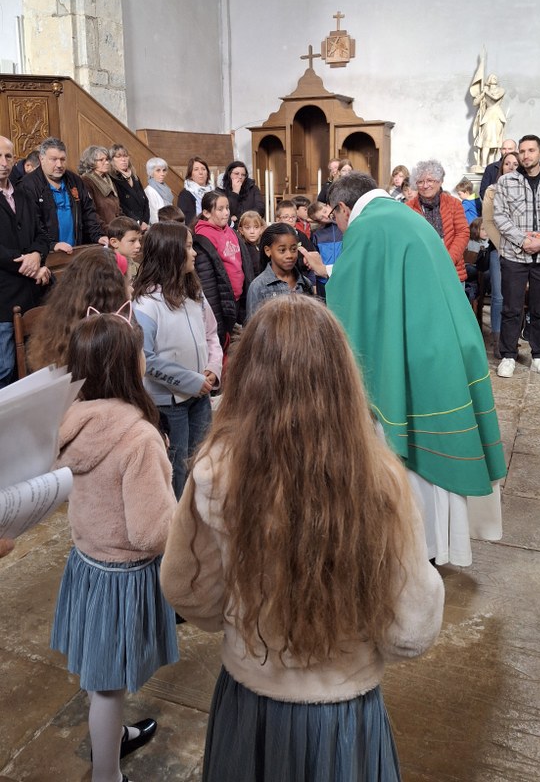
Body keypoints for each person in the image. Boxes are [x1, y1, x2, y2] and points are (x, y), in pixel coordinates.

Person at [160, 297, 444, 782]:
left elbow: (188, 590)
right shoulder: (380, 480)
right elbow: (411, 630)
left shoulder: (215, 471)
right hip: (344, 716)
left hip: (252, 703)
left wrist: (245, 622)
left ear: (249, 375)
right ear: (342, 377)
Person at [323, 171, 506, 567]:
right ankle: (441, 545)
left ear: (342, 207)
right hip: (441, 343)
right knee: (436, 445)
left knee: (414, 455)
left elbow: (348, 298)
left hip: (414, 353)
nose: (338, 226)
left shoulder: (368, 227)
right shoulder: (402, 215)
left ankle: (419, 548)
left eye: (334, 218)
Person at [50, 309, 178, 782]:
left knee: (99, 675)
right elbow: (150, 531)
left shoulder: (70, 420)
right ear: (129, 364)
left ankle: (111, 737)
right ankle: (108, 774)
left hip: (86, 563)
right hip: (123, 575)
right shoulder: (137, 436)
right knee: (108, 685)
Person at [133, 222, 222, 500]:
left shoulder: (193, 292)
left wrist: (213, 368)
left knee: (201, 459)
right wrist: (192, 381)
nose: (194, 253)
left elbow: (211, 334)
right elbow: (146, 358)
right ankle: (175, 518)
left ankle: (197, 512)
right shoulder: (147, 303)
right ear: (169, 252)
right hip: (169, 403)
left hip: (200, 396)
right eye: (188, 247)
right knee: (176, 467)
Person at [493, 135, 540, 379]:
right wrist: (523, 241)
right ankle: (508, 356)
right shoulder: (506, 181)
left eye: (531, 150)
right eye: (522, 151)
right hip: (514, 255)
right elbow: (499, 215)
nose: (526, 155)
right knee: (511, 308)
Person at [0, 135, 51, 387]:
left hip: (31, 294)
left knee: (35, 367)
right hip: (4, 297)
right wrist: (29, 266)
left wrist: (37, 256)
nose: (3, 162)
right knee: (5, 368)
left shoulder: (23, 194)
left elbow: (42, 235)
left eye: (8, 156)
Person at [27, 246, 128, 371]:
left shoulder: (60, 326)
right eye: (127, 283)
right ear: (112, 294)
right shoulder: (106, 338)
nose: (131, 289)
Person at [19, 136, 108, 251]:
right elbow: (32, 224)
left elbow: (88, 212)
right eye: (53, 159)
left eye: (62, 159)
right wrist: (52, 245)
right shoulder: (27, 185)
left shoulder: (75, 181)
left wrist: (97, 236)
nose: (59, 165)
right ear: (41, 159)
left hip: (76, 250)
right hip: (47, 253)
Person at [193, 191, 254, 349]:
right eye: (220, 209)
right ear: (206, 213)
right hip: (221, 303)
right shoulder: (203, 238)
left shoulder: (231, 231)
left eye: (227, 208)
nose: (226, 212)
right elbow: (208, 283)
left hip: (237, 300)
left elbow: (243, 264)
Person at [481, 151, 520, 358]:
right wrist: (505, 248)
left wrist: (521, 246)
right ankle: (497, 341)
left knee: (516, 297)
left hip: (522, 251)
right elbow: (489, 223)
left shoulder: (525, 191)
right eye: (507, 163)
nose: (511, 167)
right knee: (498, 297)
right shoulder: (492, 190)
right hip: (499, 250)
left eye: (516, 164)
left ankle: (511, 340)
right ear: (501, 167)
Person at [408, 160, 469, 282]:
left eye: (430, 180)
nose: (425, 185)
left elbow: (462, 233)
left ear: (440, 181)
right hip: (422, 272)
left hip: (452, 269)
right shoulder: (408, 208)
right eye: (420, 182)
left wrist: (448, 260)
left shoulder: (454, 204)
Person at [246, 223, 313, 317]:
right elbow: (253, 323)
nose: (289, 255)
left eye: (293, 249)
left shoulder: (305, 283)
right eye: (282, 250)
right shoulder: (258, 287)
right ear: (268, 251)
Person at [79, 145, 121, 232]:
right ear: (91, 162)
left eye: (107, 159)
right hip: (101, 232)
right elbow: (91, 212)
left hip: (115, 230)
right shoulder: (86, 181)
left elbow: (118, 209)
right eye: (101, 160)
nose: (107, 163)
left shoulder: (109, 181)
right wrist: (107, 230)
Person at [470, 72, 507, 169]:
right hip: (488, 116)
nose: (494, 78)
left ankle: (491, 166)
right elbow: (475, 103)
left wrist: (486, 92)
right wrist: (482, 93)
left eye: (495, 77)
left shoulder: (501, 90)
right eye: (492, 77)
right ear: (488, 80)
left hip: (497, 116)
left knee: (494, 143)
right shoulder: (485, 91)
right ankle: (483, 164)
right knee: (486, 141)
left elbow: (496, 97)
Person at [109, 144, 150, 231]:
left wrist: (145, 221)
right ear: (112, 160)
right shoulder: (112, 179)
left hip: (143, 224)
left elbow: (145, 201)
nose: (123, 159)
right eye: (118, 156)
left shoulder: (135, 177)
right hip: (127, 225)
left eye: (125, 156)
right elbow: (120, 205)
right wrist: (138, 222)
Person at [220, 161, 265, 225]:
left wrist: (239, 217)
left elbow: (260, 209)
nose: (240, 177)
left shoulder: (253, 188)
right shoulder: (221, 190)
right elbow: (225, 213)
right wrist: (235, 192)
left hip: (250, 225)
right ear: (229, 174)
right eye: (236, 174)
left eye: (243, 175)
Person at [177, 156, 213, 224]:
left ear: (207, 173)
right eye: (196, 169)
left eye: (203, 169)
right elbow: (185, 221)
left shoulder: (214, 192)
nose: (201, 172)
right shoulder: (185, 194)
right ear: (190, 174)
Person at [107, 216, 142, 284]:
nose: (139, 245)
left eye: (139, 240)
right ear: (114, 242)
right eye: (132, 241)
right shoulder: (106, 270)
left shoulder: (137, 268)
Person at [236, 210, 266, 279]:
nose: (252, 232)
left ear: (261, 229)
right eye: (247, 228)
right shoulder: (241, 249)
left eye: (256, 227)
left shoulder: (264, 246)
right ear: (241, 230)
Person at [145, 157, 173, 224]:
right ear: (151, 172)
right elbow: (153, 215)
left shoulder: (166, 188)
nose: (162, 174)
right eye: (158, 170)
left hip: (169, 223)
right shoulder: (149, 191)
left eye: (164, 170)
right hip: (159, 226)